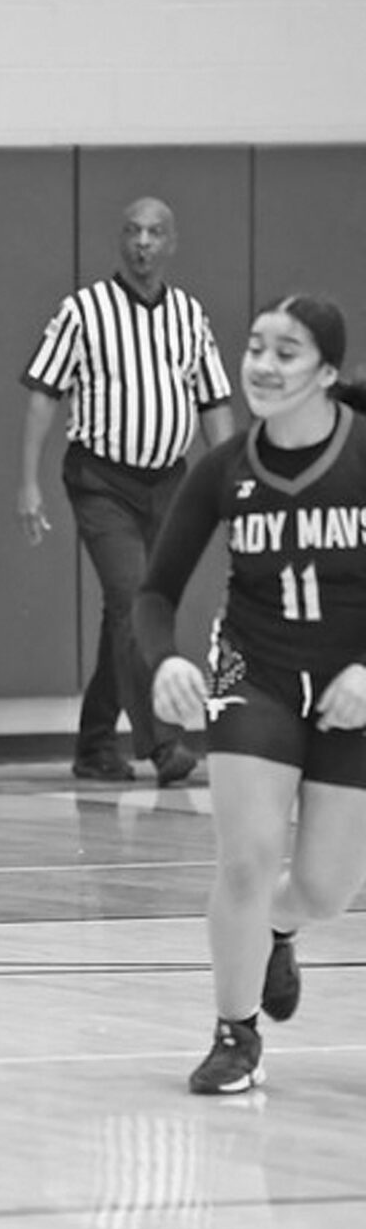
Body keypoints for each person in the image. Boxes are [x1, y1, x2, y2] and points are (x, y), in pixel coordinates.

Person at [134, 293, 366, 1096]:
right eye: (256, 346)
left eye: (286, 352)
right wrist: (164, 661)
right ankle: (235, 1034)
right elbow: (154, 594)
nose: (263, 365)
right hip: (253, 674)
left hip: (350, 686)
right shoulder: (224, 468)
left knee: (326, 890)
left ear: (327, 373)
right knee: (246, 858)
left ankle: (279, 926)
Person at [17, 197, 236, 787]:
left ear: (171, 242)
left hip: (169, 482)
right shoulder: (83, 311)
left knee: (136, 609)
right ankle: (163, 745)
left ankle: (95, 745)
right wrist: (28, 482)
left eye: (155, 232)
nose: (143, 242)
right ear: (121, 239)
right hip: (101, 480)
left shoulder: (189, 314)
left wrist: (235, 483)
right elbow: (42, 396)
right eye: (134, 231)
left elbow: (215, 403)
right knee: (133, 599)